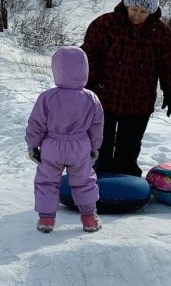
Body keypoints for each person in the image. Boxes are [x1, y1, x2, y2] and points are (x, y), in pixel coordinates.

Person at [80, 0, 171, 177]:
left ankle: (127, 184)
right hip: (104, 98)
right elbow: (88, 56)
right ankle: (95, 183)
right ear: (127, 4)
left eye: (144, 11)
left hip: (139, 101)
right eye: (134, 9)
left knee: (129, 147)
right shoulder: (105, 24)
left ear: (152, 10)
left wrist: (169, 90)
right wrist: (86, 86)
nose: (138, 15)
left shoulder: (161, 33)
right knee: (101, 146)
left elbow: (168, 63)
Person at [26, 46, 104, 233]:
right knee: (84, 181)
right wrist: (95, 146)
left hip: (52, 146)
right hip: (80, 146)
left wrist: (32, 145)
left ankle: (46, 219)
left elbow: (37, 123)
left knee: (47, 181)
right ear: (84, 69)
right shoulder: (91, 98)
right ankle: (89, 218)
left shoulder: (48, 97)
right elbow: (97, 125)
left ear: (57, 70)